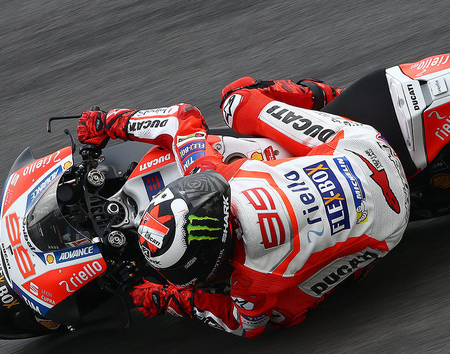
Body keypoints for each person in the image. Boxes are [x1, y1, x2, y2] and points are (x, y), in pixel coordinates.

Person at [76, 76, 411, 337]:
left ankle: (355, 270)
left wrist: (168, 298)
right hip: (364, 149)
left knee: (284, 317)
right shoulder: (212, 175)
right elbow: (181, 117)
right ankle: (332, 96)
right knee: (237, 98)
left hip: (391, 224)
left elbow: (247, 325)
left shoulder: (250, 281)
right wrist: (109, 122)